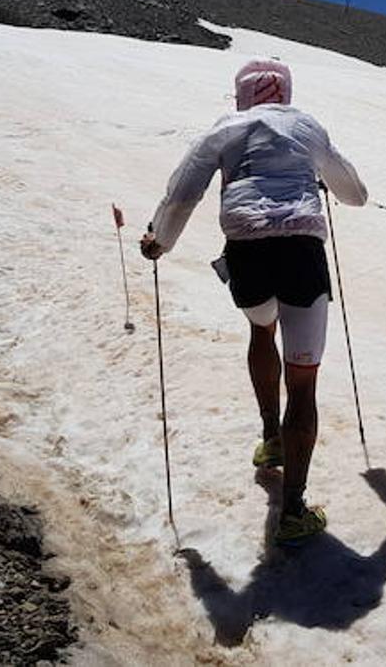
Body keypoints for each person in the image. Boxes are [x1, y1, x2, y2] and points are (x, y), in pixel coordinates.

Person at [141, 59, 367, 545]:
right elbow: (354, 193)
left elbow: (182, 194)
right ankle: (293, 511)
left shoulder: (222, 130)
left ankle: (270, 440)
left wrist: (159, 240)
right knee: (303, 384)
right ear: (285, 92)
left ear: (240, 94)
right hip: (302, 251)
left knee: (261, 329)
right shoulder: (306, 127)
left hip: (246, 254)